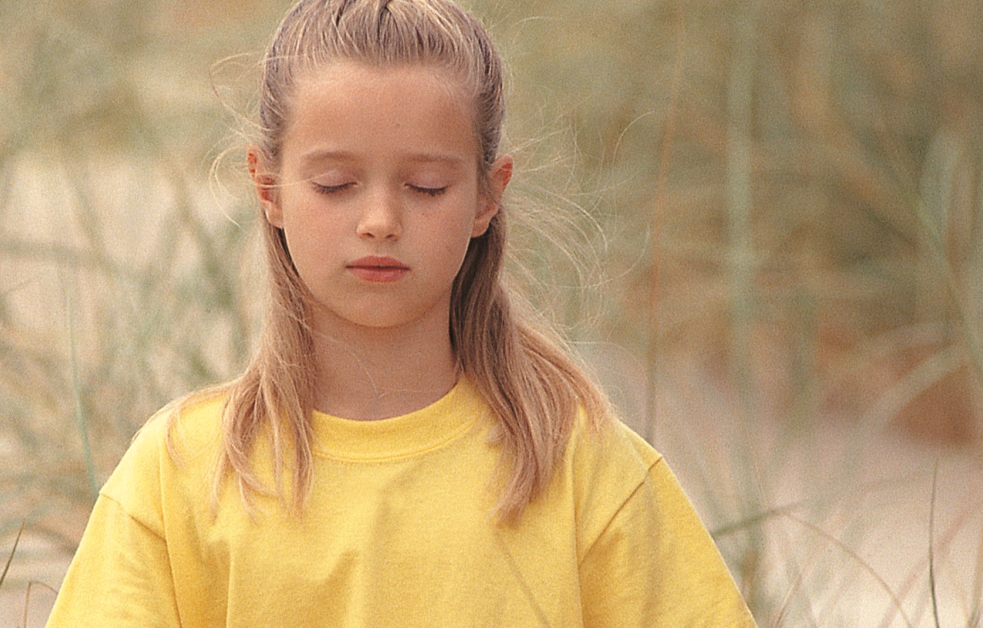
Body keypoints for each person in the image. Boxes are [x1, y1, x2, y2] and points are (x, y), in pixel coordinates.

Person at [47, 0, 755, 625]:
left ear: (485, 194)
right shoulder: (180, 473)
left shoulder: (577, 462)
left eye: (425, 186)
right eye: (335, 184)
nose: (381, 219)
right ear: (267, 186)